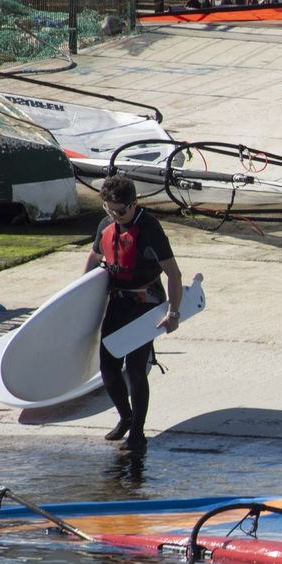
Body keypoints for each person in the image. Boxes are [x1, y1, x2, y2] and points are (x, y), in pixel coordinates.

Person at [86, 175, 183, 455]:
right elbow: (93, 258)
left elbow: (173, 274)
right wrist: (80, 300)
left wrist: (173, 313)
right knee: (108, 367)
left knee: (136, 369)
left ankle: (138, 433)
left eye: (121, 211)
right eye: (110, 209)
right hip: (117, 301)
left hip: (146, 304)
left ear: (134, 203)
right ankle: (125, 417)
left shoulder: (150, 228)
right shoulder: (106, 225)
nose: (116, 216)